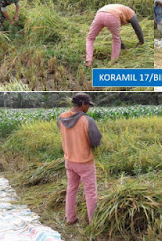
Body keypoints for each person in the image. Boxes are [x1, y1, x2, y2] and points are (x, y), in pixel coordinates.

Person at [57, 93, 102, 224]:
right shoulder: (87, 120)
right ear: (83, 104)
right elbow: (96, 141)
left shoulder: (61, 118)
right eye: (88, 105)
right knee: (91, 192)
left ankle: (70, 218)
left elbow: (63, 131)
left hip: (69, 161)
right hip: (84, 162)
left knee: (71, 189)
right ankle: (93, 221)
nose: (88, 108)